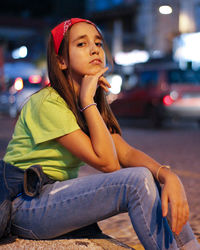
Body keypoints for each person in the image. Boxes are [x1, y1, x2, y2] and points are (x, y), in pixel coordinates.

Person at [2, 18, 200, 249]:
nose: (95, 49)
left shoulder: (86, 102)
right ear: (61, 60)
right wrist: (88, 101)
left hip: (53, 197)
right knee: (136, 181)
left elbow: (124, 152)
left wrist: (168, 176)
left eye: (98, 42)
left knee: (154, 180)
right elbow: (108, 163)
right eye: (81, 44)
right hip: (26, 204)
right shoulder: (47, 103)